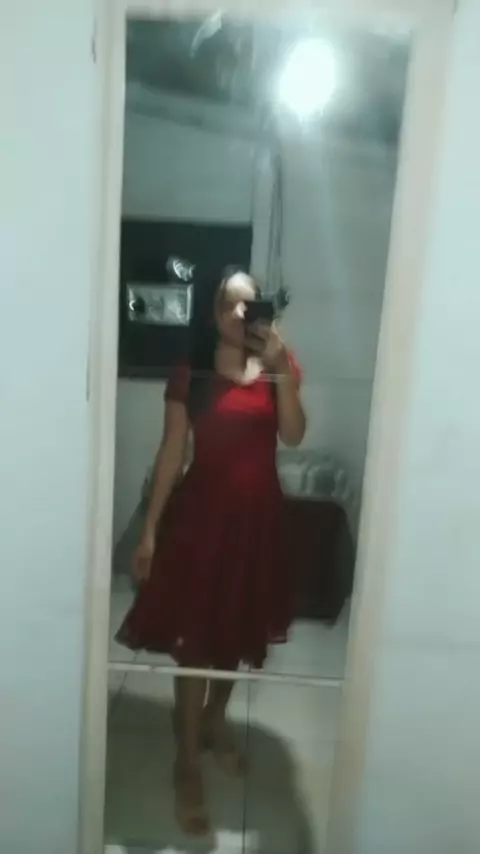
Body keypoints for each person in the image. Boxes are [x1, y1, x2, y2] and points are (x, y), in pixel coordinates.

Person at [116, 268, 306, 835]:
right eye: (231, 305)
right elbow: (173, 450)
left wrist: (280, 369)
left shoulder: (280, 365)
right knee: (195, 642)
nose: (242, 315)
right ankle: (186, 761)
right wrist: (150, 530)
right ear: (213, 313)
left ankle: (216, 719)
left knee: (235, 630)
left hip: (257, 524)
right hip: (201, 522)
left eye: (252, 305)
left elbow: (294, 434)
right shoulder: (191, 371)